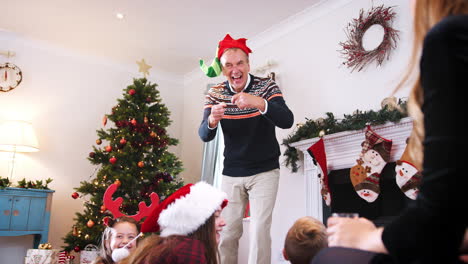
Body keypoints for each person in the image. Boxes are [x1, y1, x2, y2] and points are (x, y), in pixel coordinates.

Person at [313, 0, 468, 263]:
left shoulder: (450, 36)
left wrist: (368, 236)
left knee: (330, 257)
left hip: (434, 234)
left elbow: (439, 219)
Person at [198, 33, 294, 264]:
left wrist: (260, 103)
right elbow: (204, 134)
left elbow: (287, 120)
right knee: (228, 233)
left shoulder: (266, 86)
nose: (235, 69)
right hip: (231, 172)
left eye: (239, 63)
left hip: (264, 171)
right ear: (223, 70)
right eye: (228, 65)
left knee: (260, 230)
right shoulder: (216, 93)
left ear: (248, 64)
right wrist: (212, 120)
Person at [121, 181, 228, 264]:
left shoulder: (171, 246)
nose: (223, 222)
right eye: (216, 216)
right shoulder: (188, 250)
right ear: (195, 222)